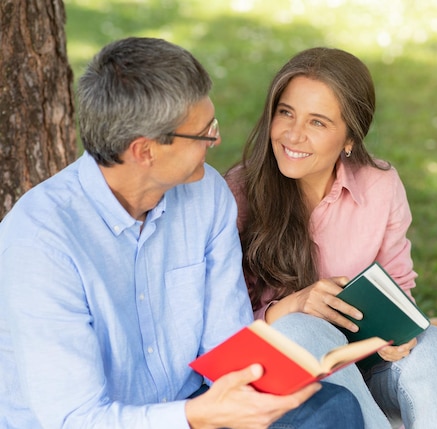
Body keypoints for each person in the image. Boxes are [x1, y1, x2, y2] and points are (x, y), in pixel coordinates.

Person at [0, 37, 365, 429]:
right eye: (203, 132)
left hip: (193, 401)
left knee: (331, 408)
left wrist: (268, 385)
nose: (217, 139)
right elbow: (76, 418)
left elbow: (226, 345)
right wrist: (196, 416)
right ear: (144, 151)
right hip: (100, 421)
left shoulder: (206, 193)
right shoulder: (41, 241)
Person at [225, 47, 437, 429]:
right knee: (301, 328)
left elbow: (399, 284)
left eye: (318, 123)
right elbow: (221, 325)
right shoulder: (239, 193)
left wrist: (401, 333)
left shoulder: (380, 185)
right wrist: (290, 307)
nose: (293, 134)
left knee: (434, 343)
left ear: (349, 139)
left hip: (368, 367)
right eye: (286, 113)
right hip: (288, 376)